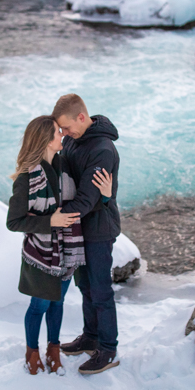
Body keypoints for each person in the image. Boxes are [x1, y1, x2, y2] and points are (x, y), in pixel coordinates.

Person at [6, 115, 113, 375]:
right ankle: (32, 352)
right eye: (56, 132)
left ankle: (53, 350)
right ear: (44, 140)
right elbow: (14, 222)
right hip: (40, 255)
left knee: (57, 303)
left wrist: (107, 197)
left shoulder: (66, 167)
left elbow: (85, 202)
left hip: (67, 252)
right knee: (39, 306)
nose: (62, 135)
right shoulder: (26, 178)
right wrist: (49, 221)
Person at [53, 94, 122, 375]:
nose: (64, 134)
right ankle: (90, 336)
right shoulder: (72, 139)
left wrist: (50, 218)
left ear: (81, 117)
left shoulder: (103, 150)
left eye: (66, 128)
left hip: (98, 229)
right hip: (78, 227)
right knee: (85, 286)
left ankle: (107, 348)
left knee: (101, 291)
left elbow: (86, 200)